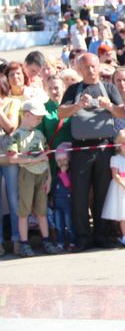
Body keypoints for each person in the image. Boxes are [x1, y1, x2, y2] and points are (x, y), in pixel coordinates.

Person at [58, 52, 125, 251]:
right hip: (81, 148)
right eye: (86, 67)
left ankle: (103, 234)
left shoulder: (109, 88)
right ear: (79, 69)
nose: (90, 70)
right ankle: (82, 237)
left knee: (103, 193)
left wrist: (110, 106)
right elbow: (61, 113)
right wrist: (78, 105)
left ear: (98, 66)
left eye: (93, 66)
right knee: (79, 194)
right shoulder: (73, 89)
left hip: (104, 147)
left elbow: (122, 112)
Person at [8, 99, 63, 256]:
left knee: (42, 210)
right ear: (27, 115)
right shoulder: (17, 135)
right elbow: (13, 158)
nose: (40, 120)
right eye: (37, 117)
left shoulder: (39, 134)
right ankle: (24, 243)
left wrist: (50, 177)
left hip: (42, 174)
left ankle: (46, 241)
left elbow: (45, 156)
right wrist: (33, 160)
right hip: (27, 174)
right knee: (24, 210)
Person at [51, 143, 75, 250]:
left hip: (67, 203)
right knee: (58, 225)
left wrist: (64, 173)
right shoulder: (56, 173)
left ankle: (72, 241)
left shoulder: (69, 173)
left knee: (69, 225)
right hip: (57, 203)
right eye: (58, 161)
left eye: (64, 159)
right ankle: (60, 242)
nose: (61, 163)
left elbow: (68, 185)